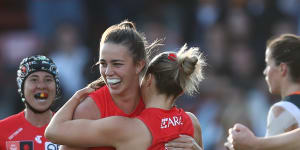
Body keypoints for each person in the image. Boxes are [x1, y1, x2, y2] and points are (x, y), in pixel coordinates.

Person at [59, 20, 202, 150]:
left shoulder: (155, 99)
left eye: (117, 64)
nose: (108, 72)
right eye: (103, 63)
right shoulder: (88, 110)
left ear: (139, 65)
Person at [225, 34, 300, 150]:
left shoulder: (281, 110)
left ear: (282, 69)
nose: (265, 72)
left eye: (268, 64)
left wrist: (249, 146)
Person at [0, 55, 60, 150]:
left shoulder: (71, 130)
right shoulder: (2, 131)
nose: (41, 86)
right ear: (22, 88)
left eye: (48, 80)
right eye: (34, 80)